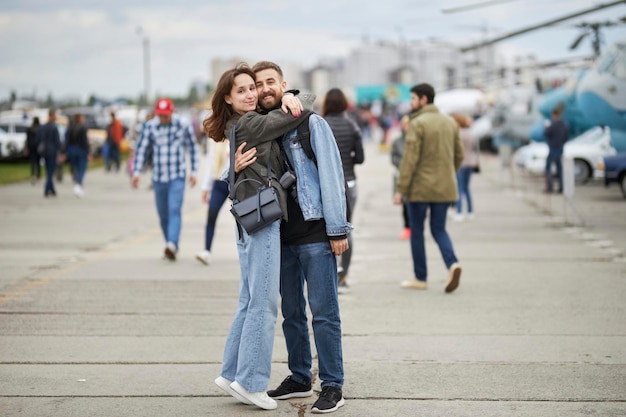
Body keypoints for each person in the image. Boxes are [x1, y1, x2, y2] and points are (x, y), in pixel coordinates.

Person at [235, 61, 352, 414]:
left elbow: (332, 174)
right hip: (278, 235)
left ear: (283, 84)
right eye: (259, 83)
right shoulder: (262, 128)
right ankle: (300, 376)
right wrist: (235, 168)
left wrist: (337, 229)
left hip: (316, 231)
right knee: (291, 313)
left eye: (271, 81)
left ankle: (332, 384)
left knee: (324, 312)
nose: (264, 88)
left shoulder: (309, 122)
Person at [203, 63, 313, 411]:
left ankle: (231, 372)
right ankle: (251, 383)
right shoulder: (250, 122)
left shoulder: (237, 125)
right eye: (243, 90)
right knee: (264, 304)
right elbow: (294, 114)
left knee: (249, 300)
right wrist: (296, 96)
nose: (251, 94)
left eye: (253, 87)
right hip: (262, 220)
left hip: (248, 219)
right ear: (228, 98)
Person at [393, 83, 463, 293]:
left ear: (424, 100)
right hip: (445, 187)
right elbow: (459, 155)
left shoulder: (418, 123)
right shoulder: (450, 122)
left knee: (417, 232)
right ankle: (453, 264)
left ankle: (420, 277)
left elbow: (409, 160)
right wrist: (447, 173)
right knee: (439, 229)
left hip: (419, 189)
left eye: (413, 99)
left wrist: (400, 189)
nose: (411, 103)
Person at [131, 98, 200, 261]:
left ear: (171, 112)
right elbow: (141, 149)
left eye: (166, 116)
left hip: (177, 175)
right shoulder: (150, 126)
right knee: (163, 215)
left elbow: (193, 147)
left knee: (174, 209)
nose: (163, 119)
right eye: (160, 116)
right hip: (159, 177)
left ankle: (172, 244)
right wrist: (136, 172)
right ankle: (170, 244)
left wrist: (194, 171)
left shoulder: (182, 124)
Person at [321, 87, 364, 292]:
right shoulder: (352, 125)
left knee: (326, 230)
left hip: (327, 185)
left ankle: (328, 275)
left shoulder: (321, 125)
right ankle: (344, 276)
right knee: (346, 229)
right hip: (350, 183)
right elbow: (361, 158)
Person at [195, 138, 230, 265]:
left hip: (236, 181)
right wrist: (206, 188)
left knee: (243, 218)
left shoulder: (240, 130)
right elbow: (211, 162)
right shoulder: (216, 138)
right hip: (219, 182)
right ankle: (207, 250)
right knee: (211, 215)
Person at [451, 113, 479, 222]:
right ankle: (470, 211)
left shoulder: (458, 134)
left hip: (461, 163)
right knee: (466, 188)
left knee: (459, 188)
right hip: (471, 162)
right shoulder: (471, 133)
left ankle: (459, 212)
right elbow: (475, 149)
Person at [391, 114, 411, 240]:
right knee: (405, 204)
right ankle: (407, 227)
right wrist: (402, 164)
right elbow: (393, 157)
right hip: (401, 175)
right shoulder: (397, 142)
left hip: (416, 177)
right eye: (405, 124)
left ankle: (415, 226)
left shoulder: (416, 140)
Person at [37, 109, 63, 198]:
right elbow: (57, 142)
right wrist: (60, 152)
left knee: (48, 170)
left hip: (45, 152)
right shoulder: (54, 127)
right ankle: (47, 189)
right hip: (52, 152)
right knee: (50, 172)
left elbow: (39, 138)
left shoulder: (43, 127)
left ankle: (51, 189)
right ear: (51, 116)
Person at [543, 106, 569, 194]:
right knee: (560, 170)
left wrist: (546, 127)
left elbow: (546, 134)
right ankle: (561, 188)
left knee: (548, 169)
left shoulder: (552, 125)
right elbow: (566, 137)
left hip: (553, 149)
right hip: (560, 149)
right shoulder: (565, 124)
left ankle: (550, 187)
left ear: (554, 115)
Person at [65, 113, 91, 198]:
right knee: (82, 168)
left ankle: (78, 183)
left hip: (72, 150)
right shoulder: (83, 128)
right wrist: (88, 152)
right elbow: (85, 142)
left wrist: (64, 151)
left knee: (75, 167)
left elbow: (67, 141)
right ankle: (78, 184)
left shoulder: (70, 128)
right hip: (81, 150)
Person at [25, 117, 41, 184]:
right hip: (38, 147)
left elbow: (27, 139)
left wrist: (26, 147)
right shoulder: (40, 129)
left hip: (31, 147)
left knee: (32, 162)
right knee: (38, 162)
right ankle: (38, 175)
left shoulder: (29, 129)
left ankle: (33, 175)